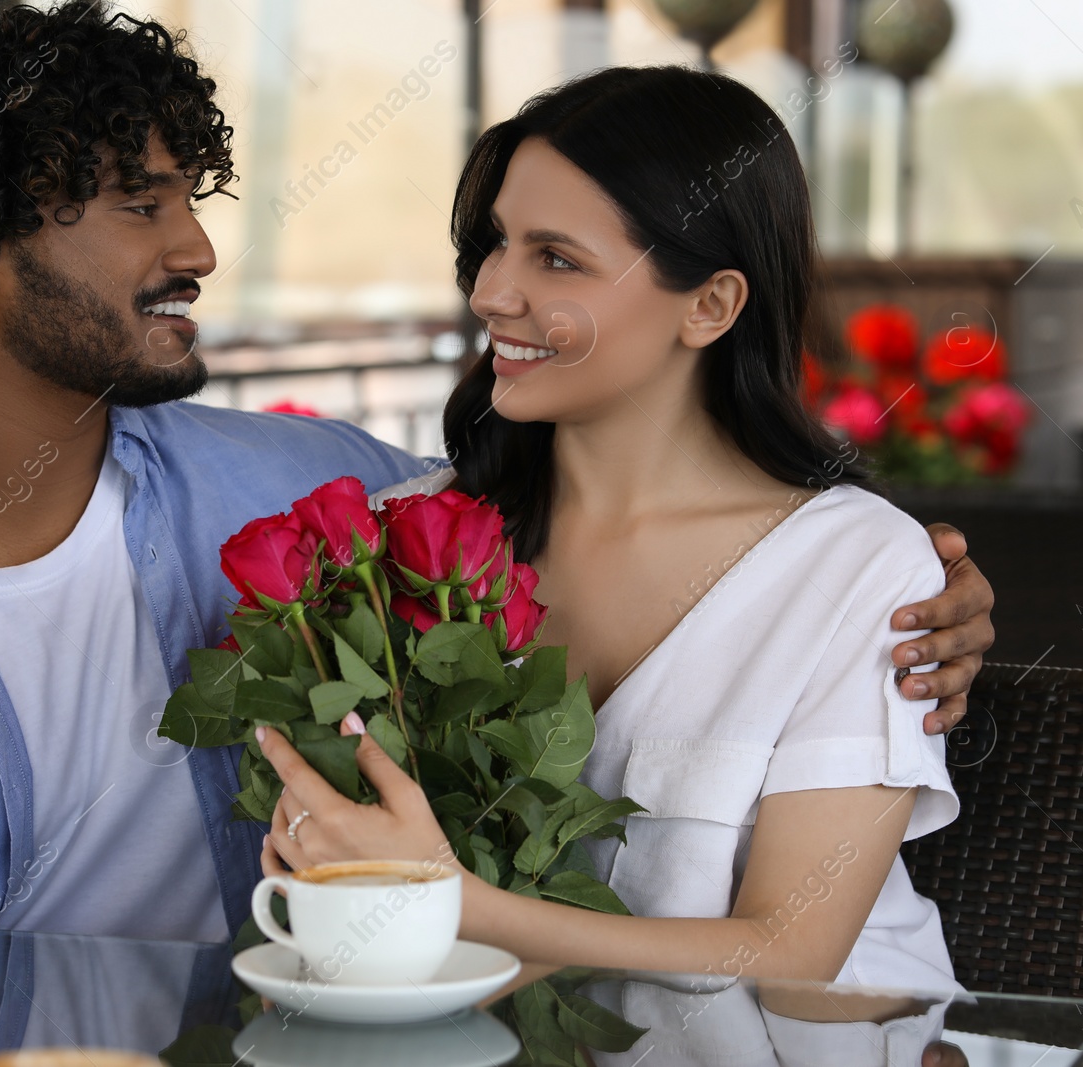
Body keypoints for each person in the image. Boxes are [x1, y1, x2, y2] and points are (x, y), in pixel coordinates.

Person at [0, 6, 990, 944]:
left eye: (191, 194)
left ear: (711, 300)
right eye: (141, 203)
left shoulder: (300, 491)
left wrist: (886, 576)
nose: (199, 241)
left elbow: (606, 512)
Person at [259, 66, 984, 991]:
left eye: (555, 258)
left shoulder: (855, 566)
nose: (492, 293)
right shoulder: (395, 541)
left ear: (711, 305)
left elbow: (795, 952)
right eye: (496, 245)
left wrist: (457, 905)